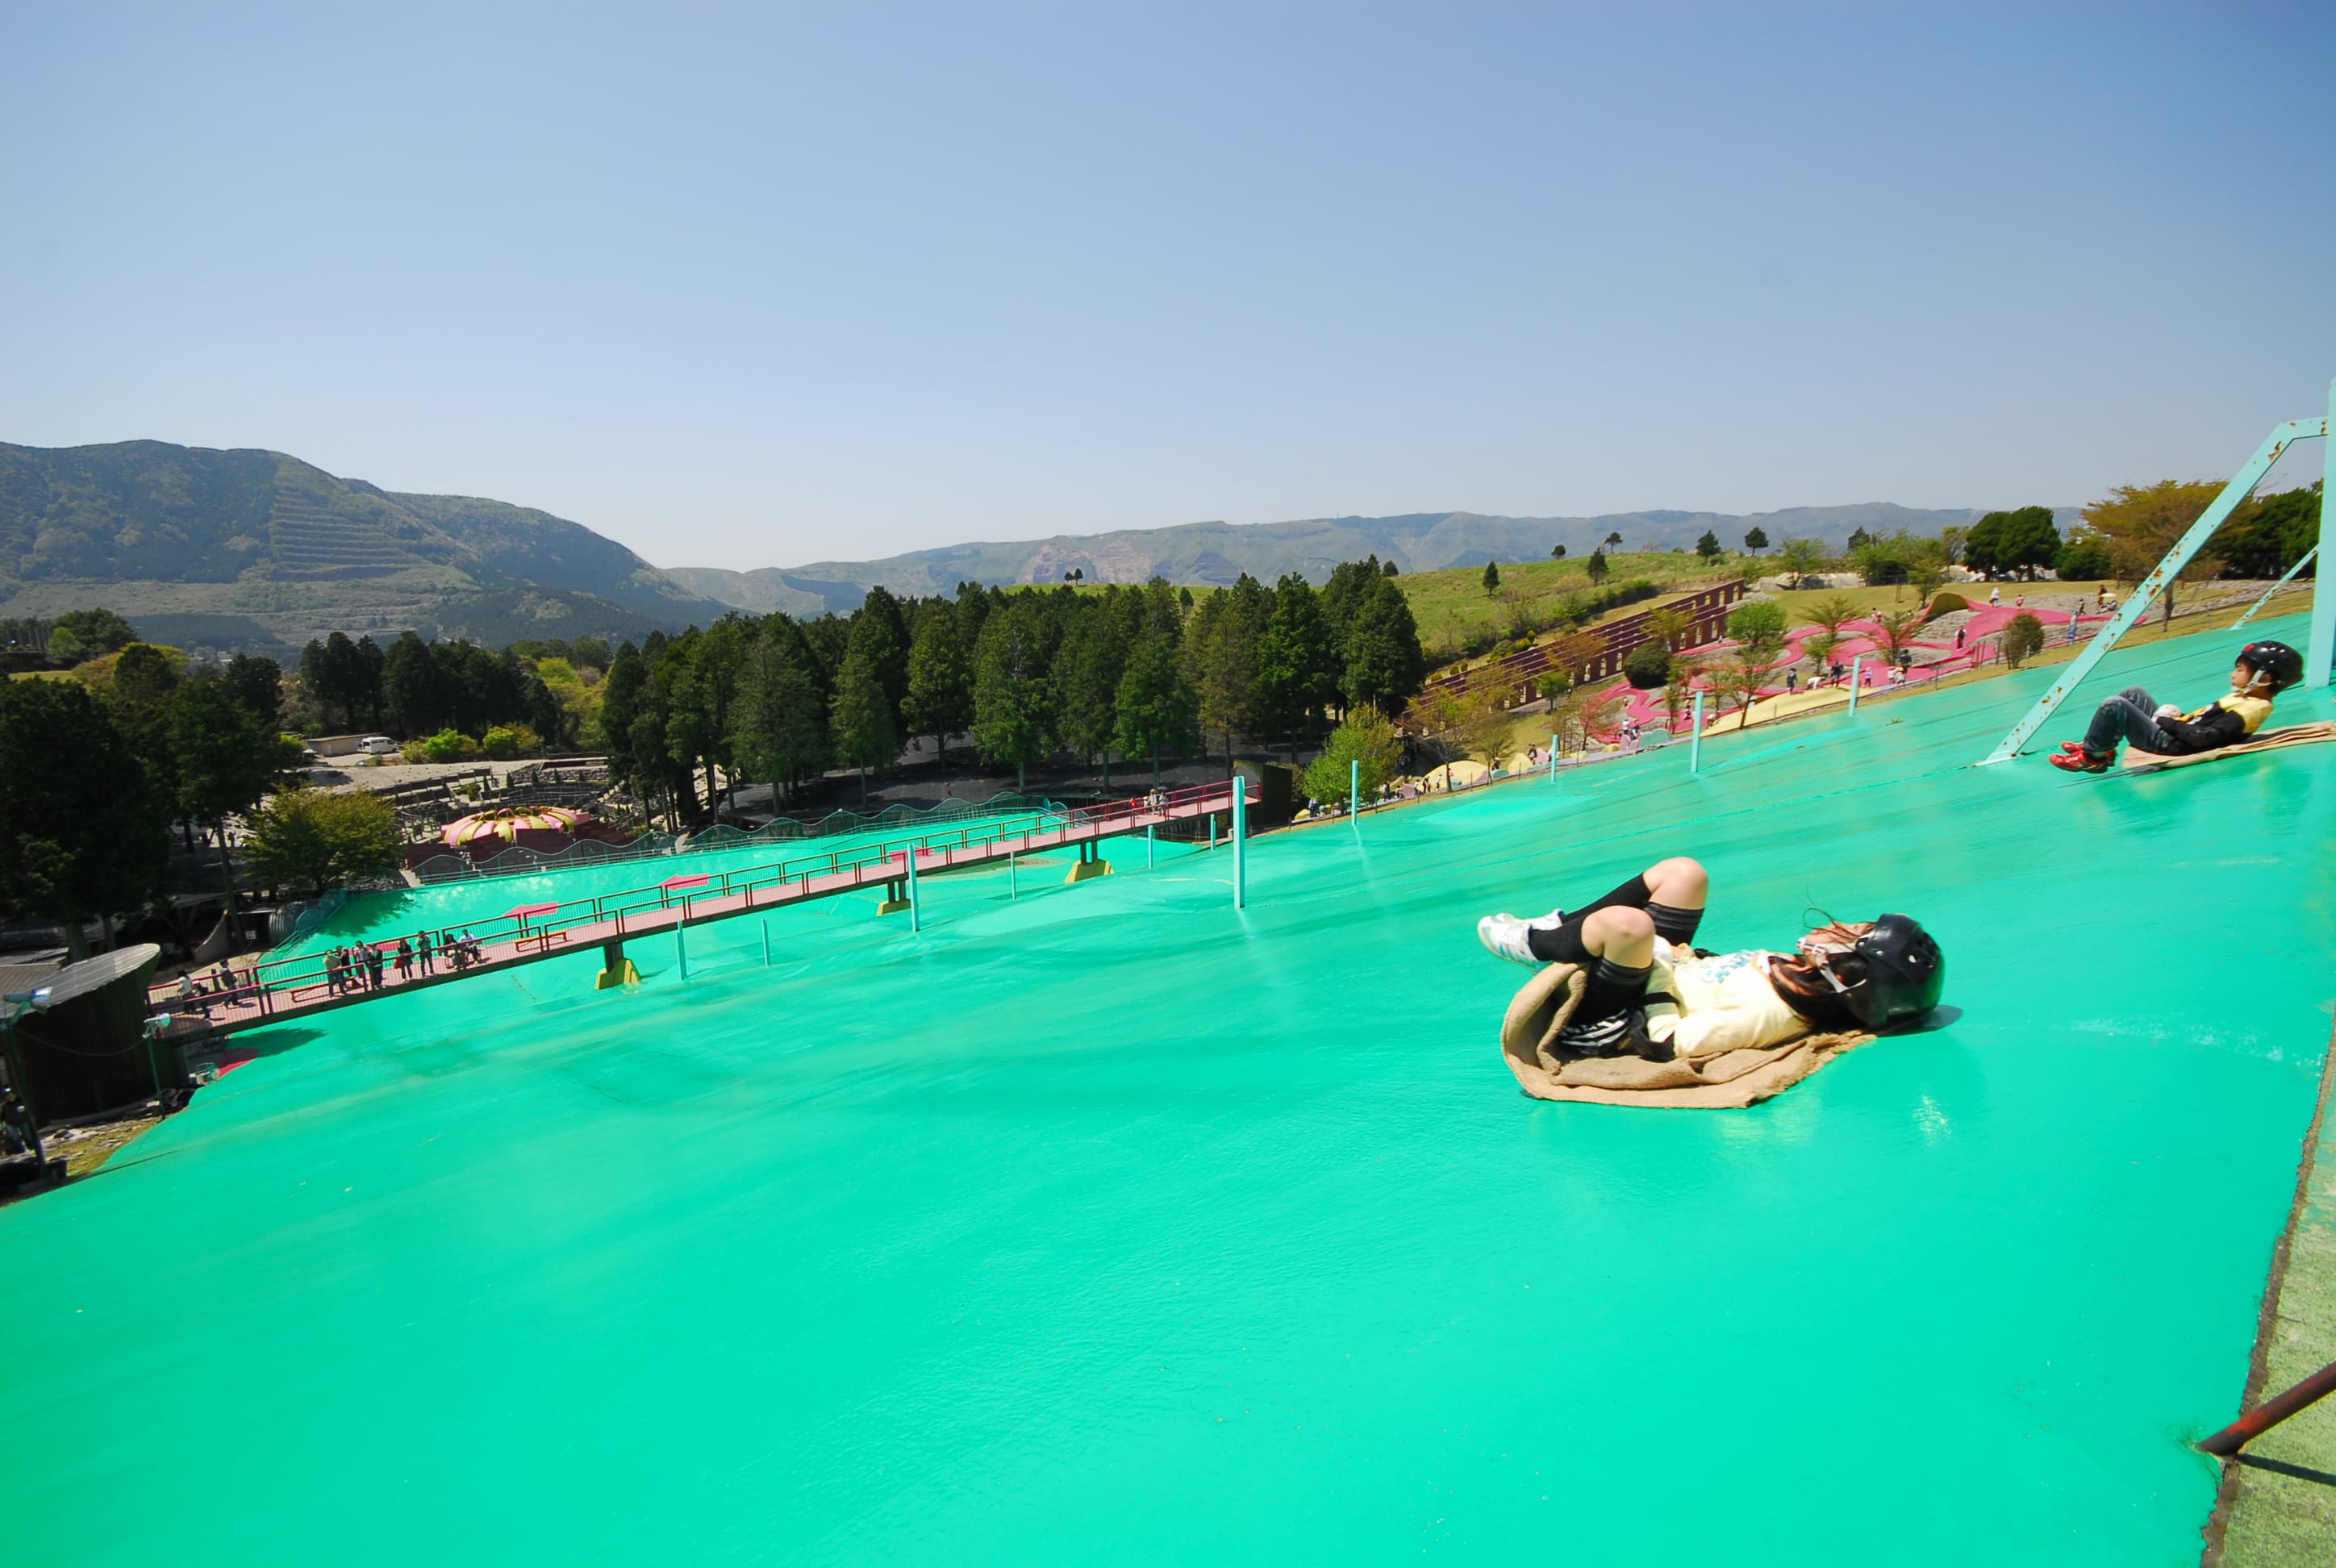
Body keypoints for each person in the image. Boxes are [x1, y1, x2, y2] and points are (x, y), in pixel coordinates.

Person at [1475, 857, 1945, 1059]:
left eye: (1848, 933)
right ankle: (1563, 927)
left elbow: (1667, 1041)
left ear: (1845, 970)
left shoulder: (1769, 1012)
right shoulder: (1796, 973)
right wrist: (1686, 959)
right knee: (1685, 874)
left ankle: (1533, 946)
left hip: (1615, 1018)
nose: (1831, 926)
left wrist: (1659, 970)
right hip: (1664, 966)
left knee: (1628, 925)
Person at [2050, 640, 2301, 774]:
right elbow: (2203, 723)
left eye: (2240, 670)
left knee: (2113, 705)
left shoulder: (2252, 709)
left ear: (2265, 678)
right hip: (2177, 732)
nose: (2233, 675)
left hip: (2174, 746)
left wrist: (2164, 722)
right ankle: (2103, 748)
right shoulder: (2247, 698)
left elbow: (2204, 739)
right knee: (2133, 693)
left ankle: (2092, 758)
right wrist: (2178, 717)